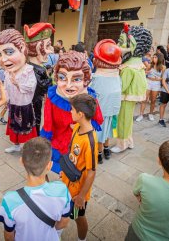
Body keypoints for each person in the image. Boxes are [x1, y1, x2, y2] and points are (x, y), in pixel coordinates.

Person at [0, 137, 71, 241]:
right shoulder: (62, 190)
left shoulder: (10, 200)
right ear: (49, 165)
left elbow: (9, 236)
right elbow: (64, 222)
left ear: (21, 161)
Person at [40, 51, 103, 173]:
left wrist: (81, 126)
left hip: (79, 144)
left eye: (77, 79)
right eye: (62, 78)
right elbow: (48, 124)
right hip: (58, 144)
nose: (68, 85)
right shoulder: (53, 98)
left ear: (85, 79)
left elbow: (97, 119)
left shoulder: (89, 99)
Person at [0, 29, 38, 153]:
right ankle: (16, 145)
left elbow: (31, 86)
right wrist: (5, 97)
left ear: (22, 48)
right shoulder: (8, 71)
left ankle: (28, 147)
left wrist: (18, 84)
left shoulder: (28, 70)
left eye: (9, 52)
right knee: (14, 127)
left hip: (24, 106)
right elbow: (7, 87)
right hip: (13, 104)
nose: (3, 59)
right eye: (0, 54)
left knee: (26, 127)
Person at [61, 94, 98, 241]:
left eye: (72, 110)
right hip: (67, 182)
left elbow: (91, 172)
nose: (70, 112)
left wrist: (81, 196)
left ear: (80, 114)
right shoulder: (77, 126)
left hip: (78, 191)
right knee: (67, 212)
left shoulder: (89, 141)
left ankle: (81, 239)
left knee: (78, 218)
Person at [111, 24, 152, 153]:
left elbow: (121, 86)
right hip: (130, 98)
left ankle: (122, 144)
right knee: (128, 120)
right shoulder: (137, 64)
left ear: (133, 45)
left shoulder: (128, 67)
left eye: (121, 42)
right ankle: (129, 141)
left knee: (123, 121)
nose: (118, 45)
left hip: (125, 98)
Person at [90, 39, 122, 163]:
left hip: (105, 112)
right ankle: (102, 150)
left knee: (104, 132)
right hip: (105, 111)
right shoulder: (112, 76)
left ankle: (102, 150)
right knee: (104, 132)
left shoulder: (100, 77)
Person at [24, 23, 54, 135]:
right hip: (35, 100)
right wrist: (51, 79)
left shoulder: (30, 66)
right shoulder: (37, 70)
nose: (51, 51)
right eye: (47, 46)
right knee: (36, 118)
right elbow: (43, 85)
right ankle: (35, 136)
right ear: (38, 48)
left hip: (33, 99)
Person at [136, 52, 165, 122]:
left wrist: (159, 79)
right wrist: (146, 72)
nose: (154, 58)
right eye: (153, 57)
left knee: (153, 100)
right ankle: (141, 114)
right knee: (144, 99)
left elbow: (163, 78)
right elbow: (144, 73)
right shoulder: (149, 65)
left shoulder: (163, 67)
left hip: (156, 84)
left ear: (159, 59)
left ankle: (151, 114)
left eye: (155, 57)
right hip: (148, 82)